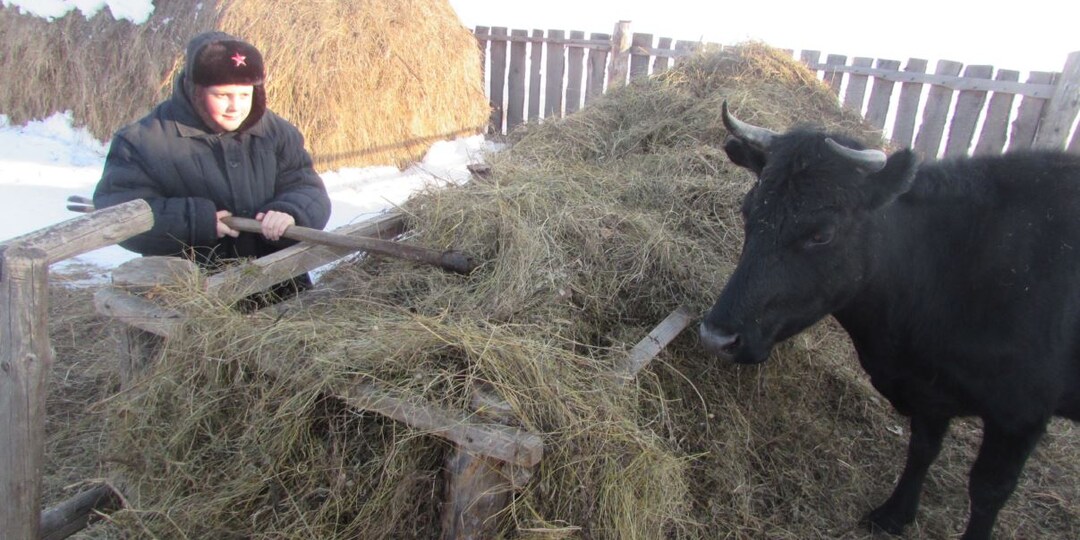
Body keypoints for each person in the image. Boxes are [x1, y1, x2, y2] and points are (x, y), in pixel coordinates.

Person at [94, 32, 331, 306]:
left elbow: (307, 188)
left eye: (245, 94)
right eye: (222, 95)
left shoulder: (276, 133)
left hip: (280, 295)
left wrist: (291, 211)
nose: (235, 107)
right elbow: (118, 213)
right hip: (191, 301)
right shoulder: (142, 141)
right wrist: (193, 221)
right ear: (195, 90)